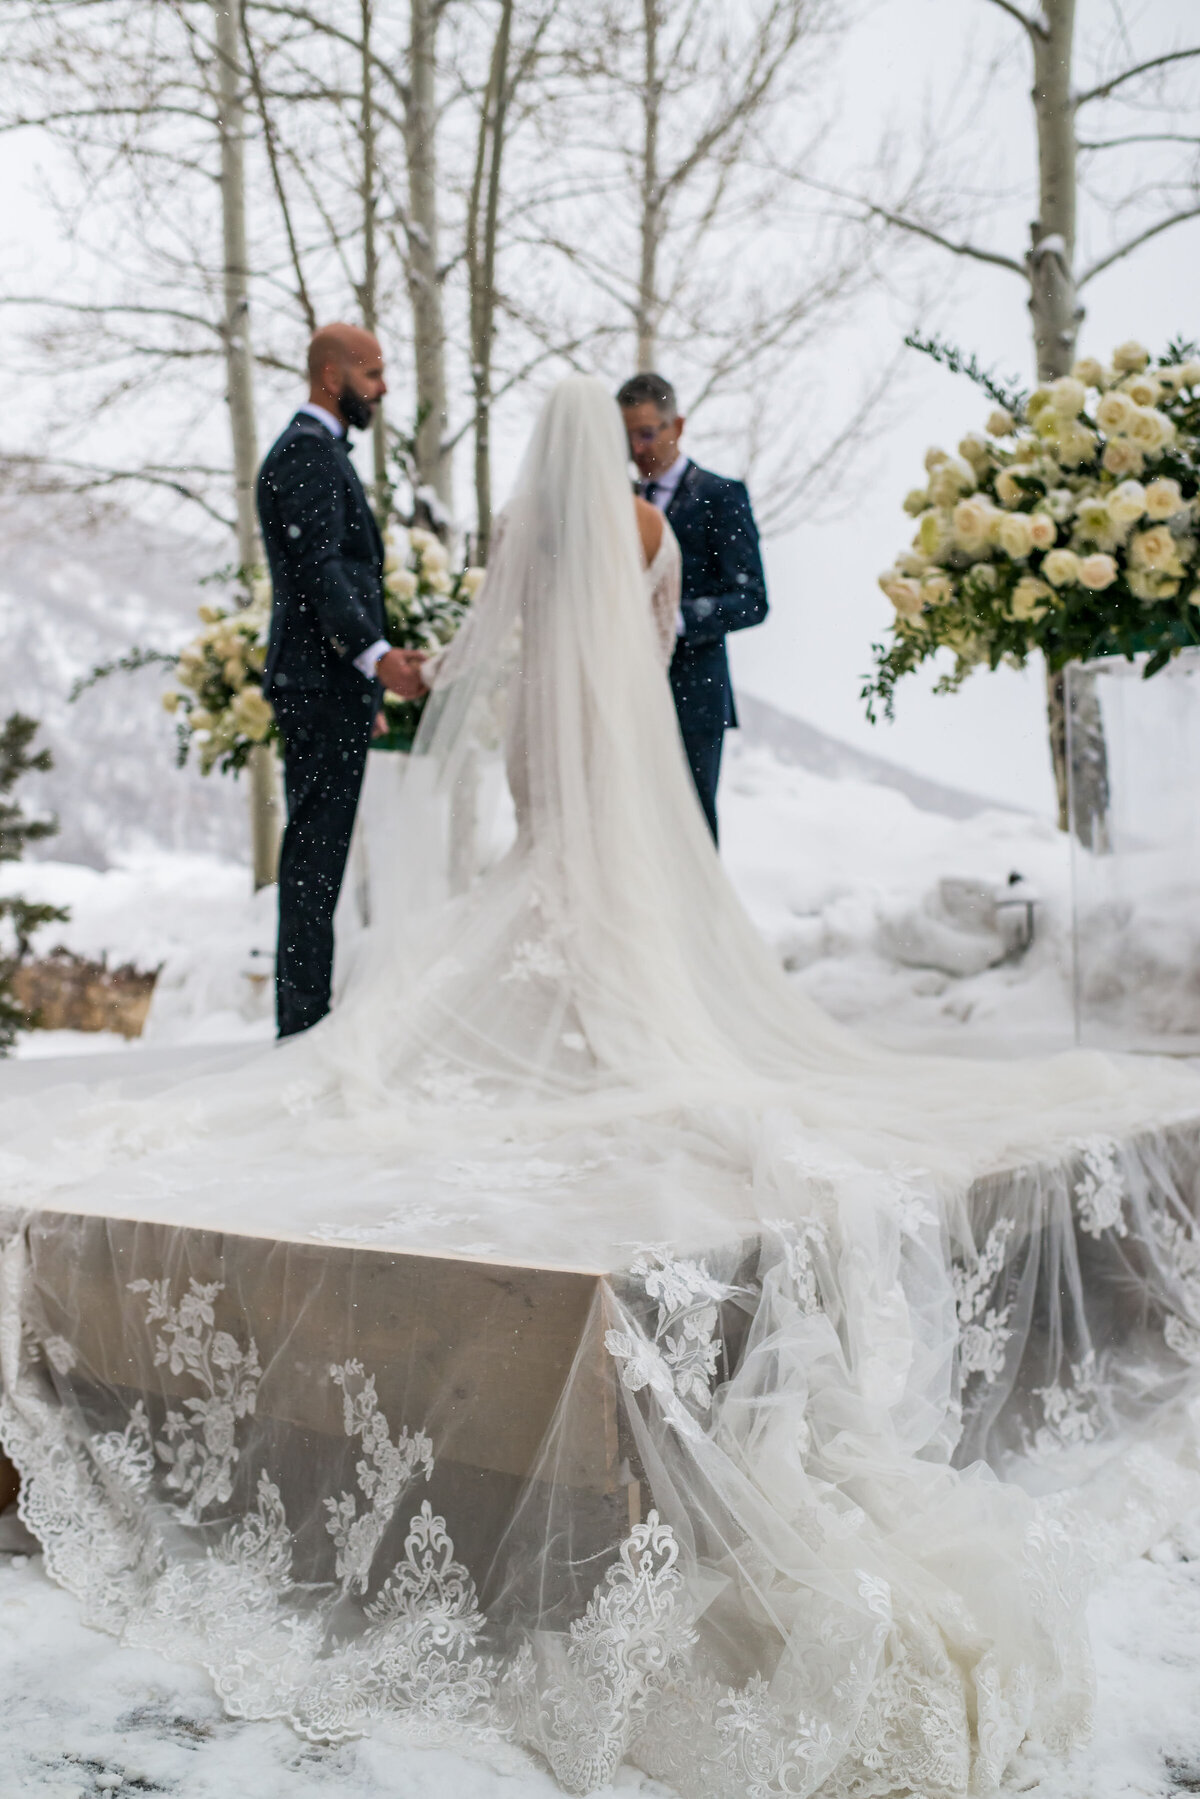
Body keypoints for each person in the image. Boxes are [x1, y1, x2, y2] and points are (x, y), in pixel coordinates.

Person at [8, 378, 1200, 1796]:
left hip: (556, 777)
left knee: (526, 937)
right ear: (615, 448)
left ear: (538, 460)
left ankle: (563, 1034)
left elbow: (502, 677)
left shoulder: (537, 536)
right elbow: (648, 651)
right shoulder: (644, 529)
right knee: (637, 959)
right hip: (632, 781)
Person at [257, 323, 426, 1037]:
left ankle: (305, 1018)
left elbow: (331, 571)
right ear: (333, 374)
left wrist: (367, 690)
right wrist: (376, 657)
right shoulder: (306, 456)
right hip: (321, 684)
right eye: (374, 373)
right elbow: (321, 571)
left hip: (332, 688)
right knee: (314, 857)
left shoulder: (320, 454)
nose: (383, 388)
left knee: (319, 852)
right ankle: (301, 1026)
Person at [618, 370, 767, 840]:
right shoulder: (613, 502)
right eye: (626, 437)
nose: (637, 449)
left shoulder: (721, 497)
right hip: (621, 693)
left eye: (646, 433)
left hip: (692, 694)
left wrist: (675, 619)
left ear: (676, 426)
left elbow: (752, 599)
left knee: (691, 832)